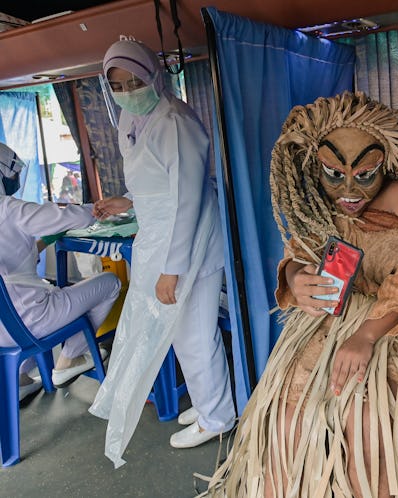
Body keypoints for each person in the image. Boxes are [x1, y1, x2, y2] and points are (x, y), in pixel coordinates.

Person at [205, 92, 398, 497]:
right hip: (324, 322)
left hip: (391, 323)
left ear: (385, 162)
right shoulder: (316, 199)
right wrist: (295, 274)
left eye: (366, 173)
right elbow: (298, 254)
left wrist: (367, 335)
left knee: (368, 423)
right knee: (285, 419)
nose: (350, 189)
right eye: (334, 174)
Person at [88, 38, 235, 467]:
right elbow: (155, 182)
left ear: (155, 75)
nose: (127, 90)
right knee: (181, 334)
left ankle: (216, 416)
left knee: (191, 335)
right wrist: (128, 201)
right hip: (158, 235)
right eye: (117, 84)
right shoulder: (132, 118)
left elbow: (187, 197)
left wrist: (173, 269)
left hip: (188, 241)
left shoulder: (174, 121)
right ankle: (213, 402)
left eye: (135, 80)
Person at [0, 142, 121, 398]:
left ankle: (20, 378)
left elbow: (15, 259)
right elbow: (70, 217)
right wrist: (96, 209)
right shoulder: (9, 209)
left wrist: (47, 241)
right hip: (33, 319)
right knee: (110, 283)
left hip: (3, 332)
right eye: (13, 173)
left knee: (45, 299)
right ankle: (69, 358)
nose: (16, 179)